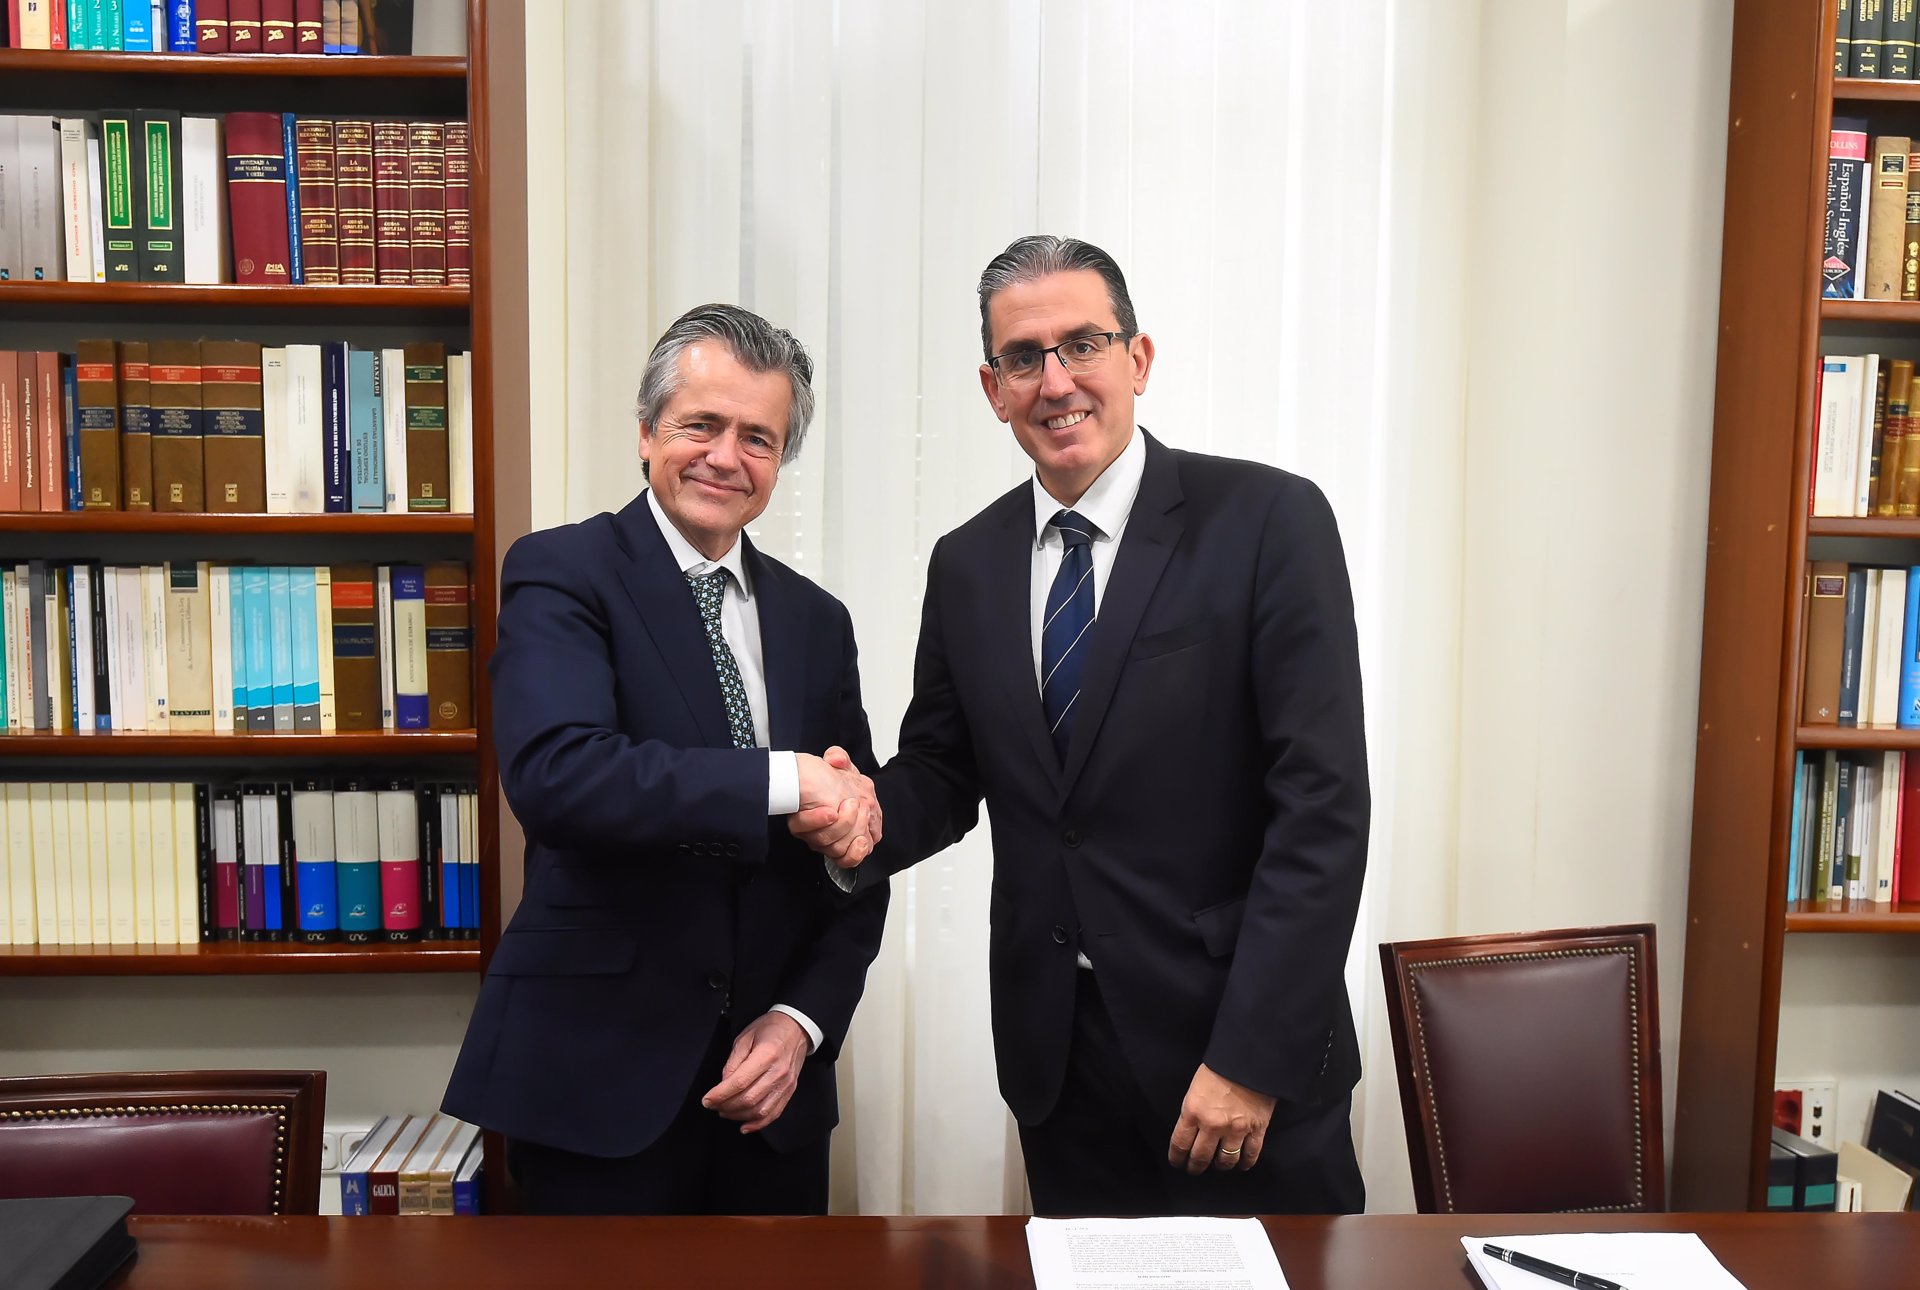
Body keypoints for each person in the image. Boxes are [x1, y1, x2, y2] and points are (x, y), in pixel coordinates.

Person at [797, 236, 1369, 1216]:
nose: (1056, 380)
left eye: (1083, 345)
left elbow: (1322, 812)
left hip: (1235, 1053)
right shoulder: (967, 563)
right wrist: (858, 816)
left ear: (1137, 359)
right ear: (994, 389)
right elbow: (943, 769)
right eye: (1024, 357)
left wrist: (1250, 1059)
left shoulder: (1268, 520)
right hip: (1062, 1063)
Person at [444, 303, 887, 1216]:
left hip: (772, 1099)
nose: (726, 457)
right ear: (647, 432)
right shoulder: (563, 571)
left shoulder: (817, 621)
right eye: (701, 425)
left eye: (758, 438)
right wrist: (784, 777)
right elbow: (560, 776)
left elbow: (857, 848)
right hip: (597, 1085)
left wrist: (802, 1022)